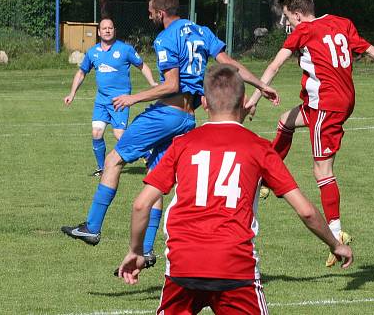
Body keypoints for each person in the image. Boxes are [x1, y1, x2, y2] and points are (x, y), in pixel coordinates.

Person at [62, 0, 278, 266]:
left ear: (161, 13)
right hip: (188, 118)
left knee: (114, 159)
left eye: (151, 13)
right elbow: (231, 66)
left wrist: (133, 97)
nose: (150, 16)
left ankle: (92, 227)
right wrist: (261, 85)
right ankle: (147, 249)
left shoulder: (165, 38)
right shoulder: (200, 31)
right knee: (156, 178)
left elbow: (172, 84)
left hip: (167, 114)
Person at [117, 65, 353, 314]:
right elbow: (305, 211)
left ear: (204, 102)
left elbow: (141, 204)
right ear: (243, 101)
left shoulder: (182, 144)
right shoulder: (259, 148)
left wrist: (136, 251)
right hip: (235, 266)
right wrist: (334, 244)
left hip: (183, 263)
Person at [247, 0, 374, 266]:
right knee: (285, 121)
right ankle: (265, 178)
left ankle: (337, 235)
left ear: (298, 13)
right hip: (338, 100)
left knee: (322, 170)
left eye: (289, 18)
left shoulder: (303, 30)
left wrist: (255, 96)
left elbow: (275, 65)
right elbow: (373, 51)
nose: (288, 24)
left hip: (327, 105)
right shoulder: (342, 22)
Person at [64, 18, 157, 176]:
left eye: (110, 28)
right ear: (99, 32)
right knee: (96, 133)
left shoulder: (125, 49)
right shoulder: (93, 52)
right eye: (104, 28)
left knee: (119, 135)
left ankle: (149, 156)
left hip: (120, 101)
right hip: (101, 101)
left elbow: (142, 66)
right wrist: (72, 93)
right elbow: (81, 73)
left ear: (114, 31)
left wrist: (153, 82)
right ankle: (102, 168)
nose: (107, 30)